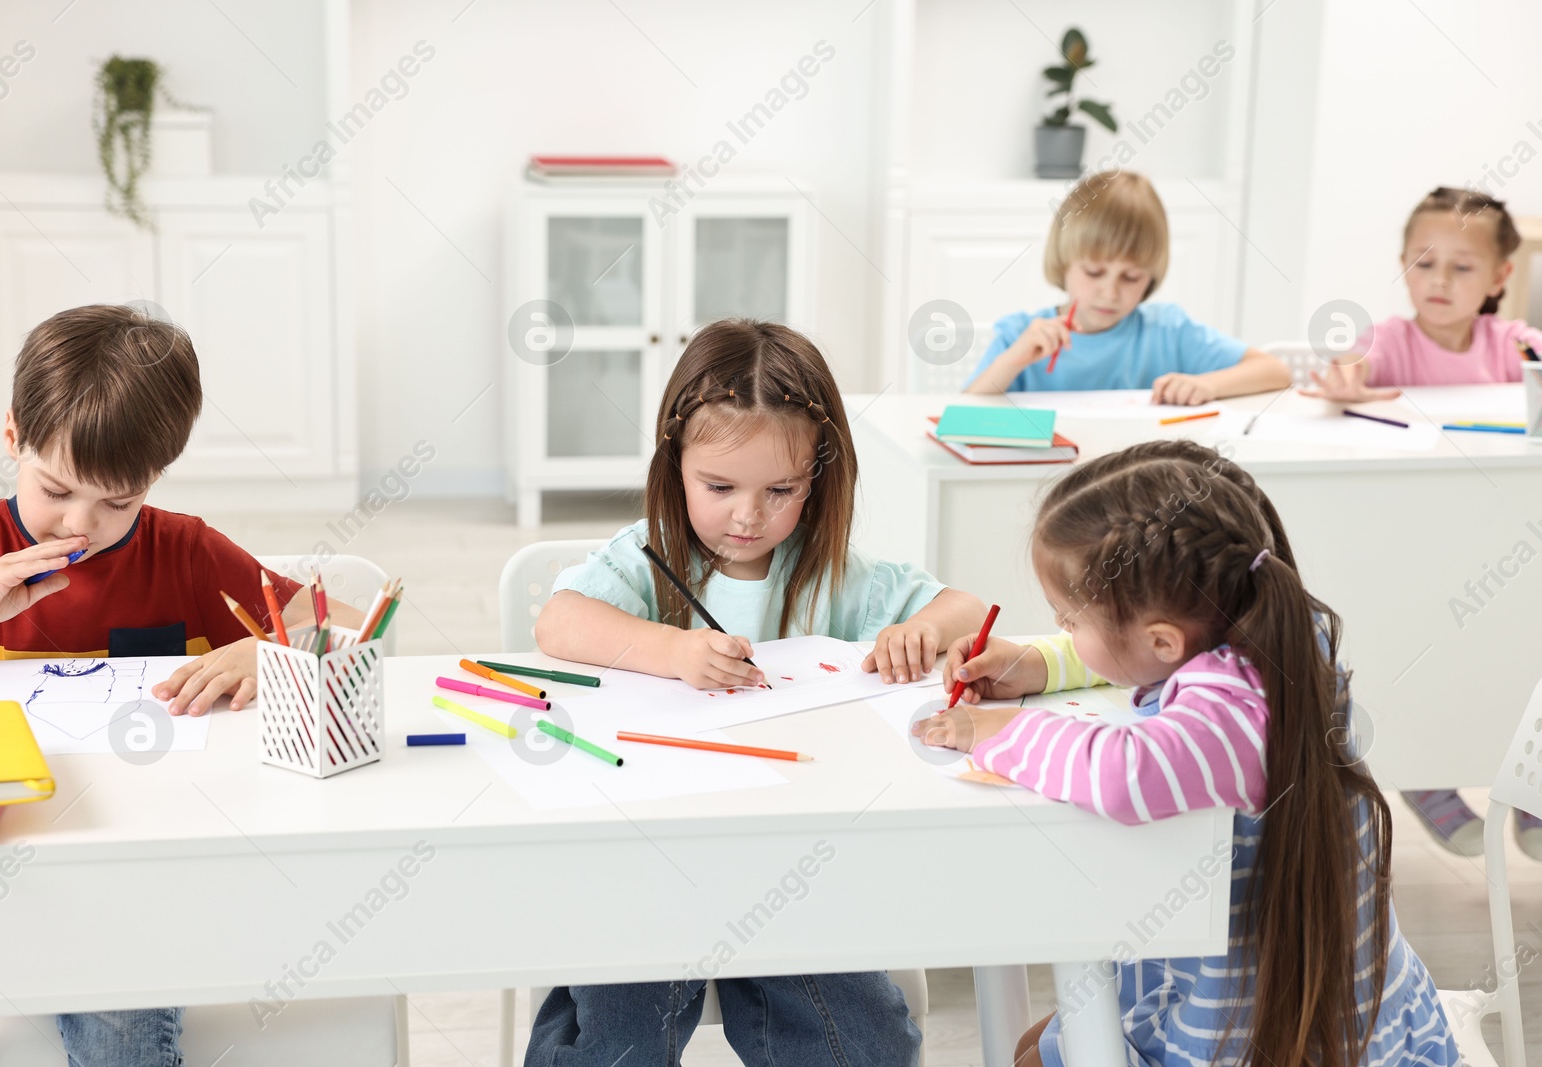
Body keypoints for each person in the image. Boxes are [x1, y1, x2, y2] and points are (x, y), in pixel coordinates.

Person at [529, 318, 985, 1067]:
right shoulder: (650, 558)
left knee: (864, 1043)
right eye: (720, 486)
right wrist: (671, 648)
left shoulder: (833, 574)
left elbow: (964, 605)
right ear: (675, 465)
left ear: (819, 478)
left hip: (793, 867)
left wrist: (923, 630)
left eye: (781, 489)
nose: (747, 515)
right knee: (618, 1043)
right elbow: (559, 620)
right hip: (644, 861)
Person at [917, 440, 1456, 1066]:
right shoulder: (1266, 626)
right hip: (1282, 966)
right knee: (1044, 1039)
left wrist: (998, 733)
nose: (1066, 632)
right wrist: (1038, 663)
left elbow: (1124, 774)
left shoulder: (1230, 715)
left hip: (1266, 1018)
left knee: (1032, 1055)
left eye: (1069, 622)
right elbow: (1146, 660)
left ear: (1164, 638)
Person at [0, 304, 359, 1066]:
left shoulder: (187, 552)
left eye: (118, 501)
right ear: (12, 438)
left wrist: (272, 654)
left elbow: (358, 628)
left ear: (154, 479)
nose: (81, 524)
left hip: (139, 867)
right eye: (56, 488)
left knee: (121, 1015)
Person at [1303, 186, 1542, 858]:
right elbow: (1352, 367)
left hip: (1497, 535)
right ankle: (1425, 773)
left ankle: (1524, 782)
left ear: (1500, 278)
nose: (1438, 281)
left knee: (1513, 646)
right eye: (1423, 262)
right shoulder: (1391, 339)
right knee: (1421, 643)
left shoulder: (1511, 343)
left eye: (1462, 268)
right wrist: (1343, 383)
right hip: (1415, 539)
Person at [964, 170, 1289, 404]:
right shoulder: (1020, 335)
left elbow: (1273, 370)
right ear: (1063, 264)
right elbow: (962, 413)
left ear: (1150, 277)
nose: (1110, 292)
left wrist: (1207, 384)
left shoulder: (1168, 331)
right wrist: (1011, 362)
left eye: (1131, 277)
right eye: (1093, 272)